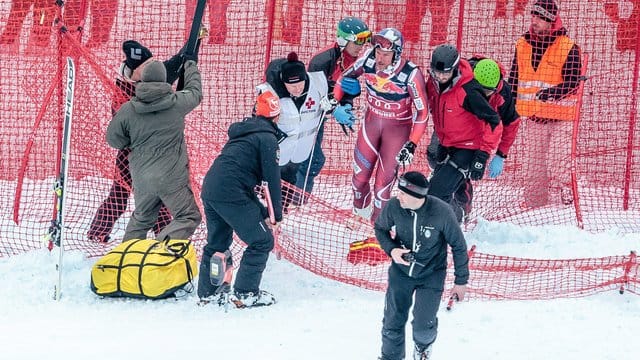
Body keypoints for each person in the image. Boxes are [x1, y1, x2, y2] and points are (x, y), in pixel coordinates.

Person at [87, 38, 203, 242]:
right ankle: (99, 233)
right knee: (122, 197)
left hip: (143, 161)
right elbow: (116, 135)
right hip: (130, 158)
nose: (153, 67)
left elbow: (176, 63)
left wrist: (195, 40)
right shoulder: (125, 90)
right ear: (135, 71)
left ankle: (153, 240)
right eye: (147, 65)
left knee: (152, 205)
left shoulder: (147, 80)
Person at [198, 91, 285, 308]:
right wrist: (277, 215)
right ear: (276, 117)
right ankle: (246, 293)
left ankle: (208, 293)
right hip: (231, 193)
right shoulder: (267, 138)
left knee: (217, 243)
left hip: (212, 188)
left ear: (256, 111)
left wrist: (264, 213)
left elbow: (243, 183)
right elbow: (271, 180)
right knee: (262, 241)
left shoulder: (243, 132)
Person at [335, 27, 429, 223]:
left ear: (396, 54)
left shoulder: (410, 74)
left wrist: (412, 144)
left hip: (396, 132)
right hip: (371, 125)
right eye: (378, 52)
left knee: (381, 188)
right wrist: (337, 102)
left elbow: (422, 112)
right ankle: (359, 215)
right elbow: (343, 78)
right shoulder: (368, 61)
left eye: (386, 54)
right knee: (359, 179)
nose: (380, 58)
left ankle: (378, 226)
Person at [374, 171, 469, 360]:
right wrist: (392, 250)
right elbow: (380, 228)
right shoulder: (394, 206)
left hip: (431, 273)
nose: (398, 195)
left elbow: (458, 245)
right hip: (400, 273)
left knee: (423, 326)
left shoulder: (441, 212)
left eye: (403, 193)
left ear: (416, 195)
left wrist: (461, 281)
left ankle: (423, 349)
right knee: (393, 320)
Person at [426, 56, 520, 221]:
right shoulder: (461, 79)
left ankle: (461, 202)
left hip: (476, 136)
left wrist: (500, 154)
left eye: (487, 92)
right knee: (434, 155)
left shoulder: (503, 94)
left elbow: (510, 124)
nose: (482, 95)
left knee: (457, 170)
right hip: (450, 124)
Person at [508, 0, 583, 207]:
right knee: (533, 169)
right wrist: (507, 105)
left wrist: (550, 93)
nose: (534, 21)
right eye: (533, 16)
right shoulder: (522, 45)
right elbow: (513, 80)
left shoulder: (569, 47)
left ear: (551, 21)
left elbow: (573, 83)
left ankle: (566, 205)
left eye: (539, 17)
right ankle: (534, 208)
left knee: (560, 163)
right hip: (534, 117)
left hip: (562, 117)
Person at [299, 16, 371, 198]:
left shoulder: (353, 60)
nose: (360, 46)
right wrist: (335, 109)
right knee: (311, 159)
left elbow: (346, 89)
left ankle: (297, 199)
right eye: (357, 41)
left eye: (363, 41)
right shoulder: (321, 61)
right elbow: (313, 96)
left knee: (310, 160)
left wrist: (347, 104)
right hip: (305, 114)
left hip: (320, 114)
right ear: (343, 40)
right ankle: (294, 198)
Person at [259, 52, 339, 208]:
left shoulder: (318, 84)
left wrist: (334, 105)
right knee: (268, 189)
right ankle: (267, 214)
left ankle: (281, 215)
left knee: (288, 189)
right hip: (277, 153)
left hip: (300, 152)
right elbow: (259, 121)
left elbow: (332, 96)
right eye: (291, 85)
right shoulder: (270, 93)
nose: (296, 89)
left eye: (299, 84)